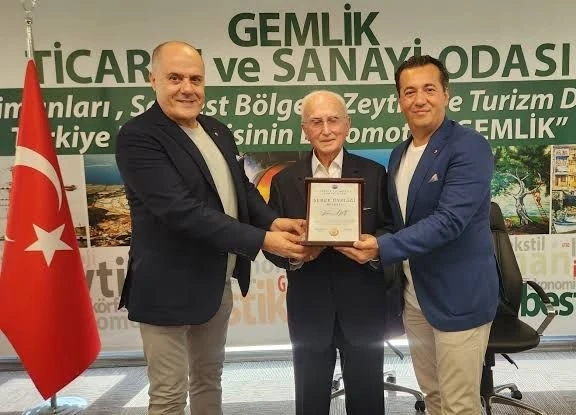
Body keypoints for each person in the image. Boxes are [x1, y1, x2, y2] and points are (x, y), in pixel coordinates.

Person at [115, 40, 309, 415]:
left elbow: (242, 189)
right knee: (169, 395)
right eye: (175, 78)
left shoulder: (217, 130)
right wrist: (264, 239)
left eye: (195, 79)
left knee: (208, 380)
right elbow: (181, 211)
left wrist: (272, 220)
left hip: (214, 283)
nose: (187, 88)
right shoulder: (139, 137)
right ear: (152, 79)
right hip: (166, 289)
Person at [337, 55, 499, 415]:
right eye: (409, 92)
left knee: (459, 404)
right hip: (415, 296)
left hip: (459, 297)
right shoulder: (399, 153)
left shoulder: (469, 146)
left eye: (429, 89)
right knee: (433, 396)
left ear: (446, 94)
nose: (419, 99)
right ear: (399, 100)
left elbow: (450, 221)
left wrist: (381, 246)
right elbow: (399, 220)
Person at [263, 90, 392, 415]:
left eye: (333, 120)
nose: (326, 130)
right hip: (309, 307)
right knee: (310, 401)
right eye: (316, 122)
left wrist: (374, 250)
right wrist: (295, 256)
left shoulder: (374, 174)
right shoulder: (284, 181)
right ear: (304, 129)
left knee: (367, 400)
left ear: (347, 125)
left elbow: (391, 230)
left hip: (363, 305)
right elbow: (272, 242)